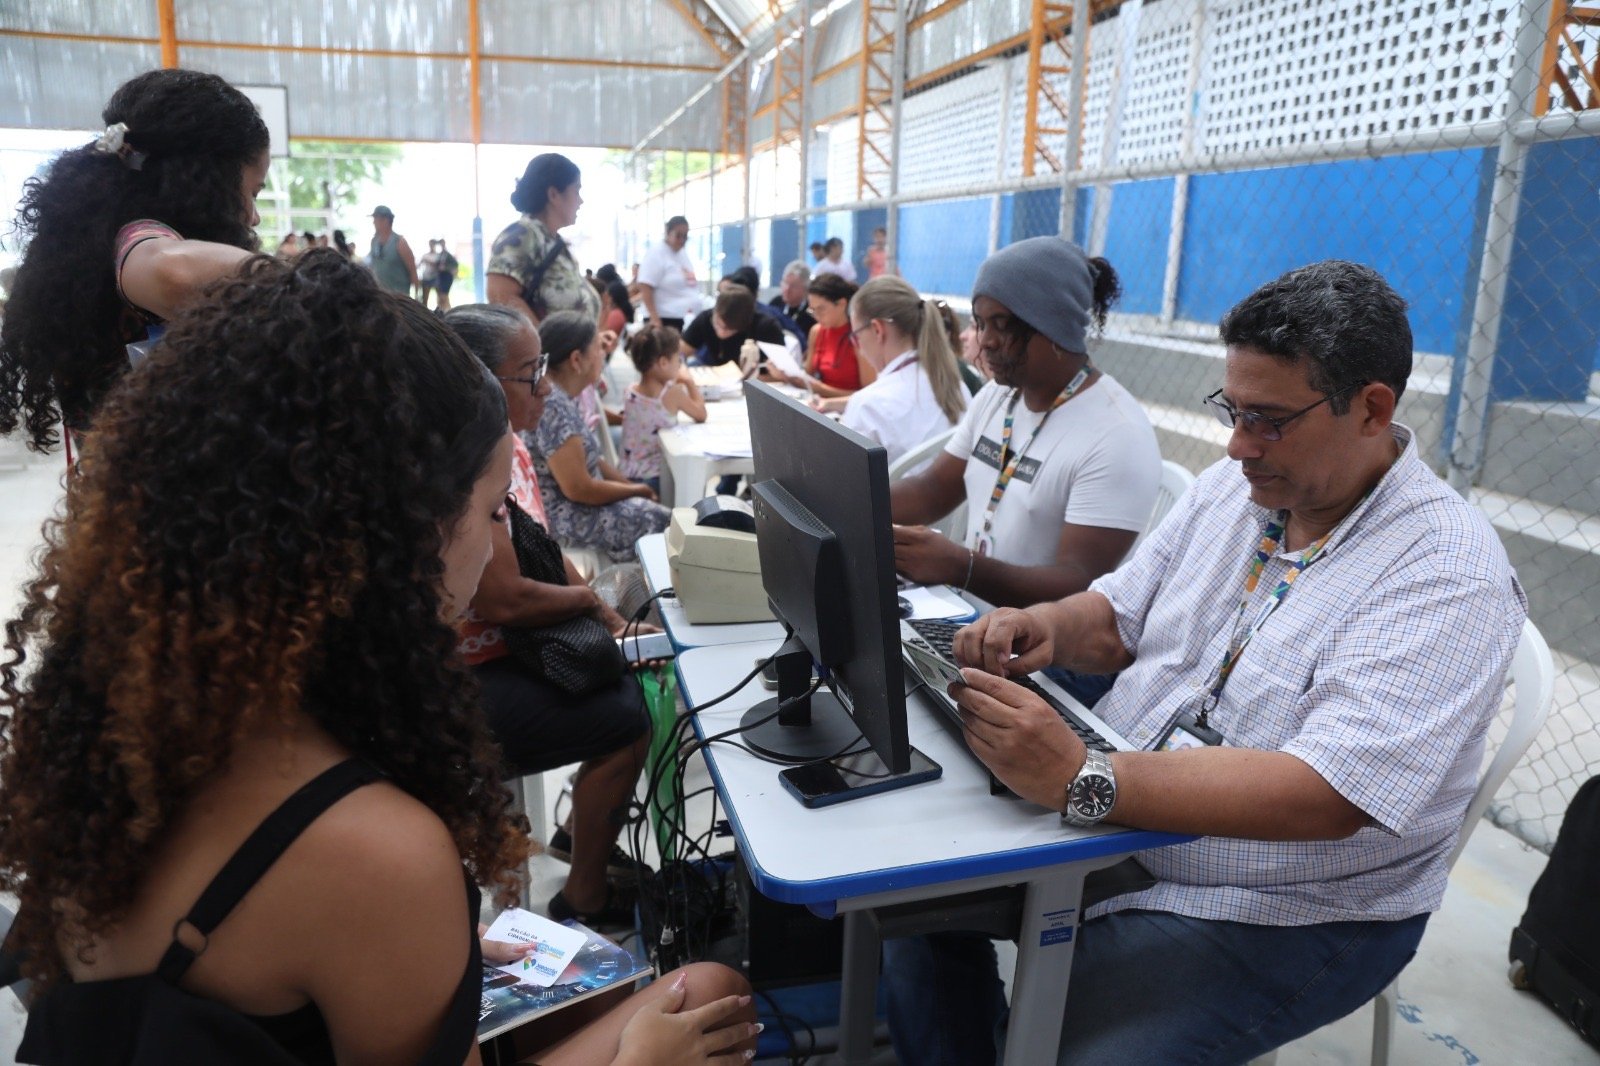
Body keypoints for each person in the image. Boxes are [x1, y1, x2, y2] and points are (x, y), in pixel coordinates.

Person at [1, 250, 758, 1065]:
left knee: (606, 988)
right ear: (399, 541)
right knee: (707, 996)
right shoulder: (377, 849)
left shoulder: (114, 720)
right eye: (492, 508)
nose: (503, 537)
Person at [883, 260, 1528, 1066]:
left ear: (1372, 409)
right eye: (1232, 410)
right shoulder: (1241, 485)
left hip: (1283, 907)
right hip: (1115, 827)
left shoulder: (1445, 572)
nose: (1237, 444)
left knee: (1064, 1049)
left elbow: (1327, 795)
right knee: (898, 902)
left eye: (1267, 419)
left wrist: (1085, 777)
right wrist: (1042, 626)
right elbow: (1118, 613)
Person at [444, 305, 664, 931]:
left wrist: (613, 625)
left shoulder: (508, 445)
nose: (543, 386)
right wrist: (595, 605)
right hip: (459, 678)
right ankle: (584, 896)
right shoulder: (464, 461)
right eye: (529, 373)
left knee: (627, 678)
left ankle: (575, 841)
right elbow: (506, 598)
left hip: (503, 653)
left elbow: (542, 550)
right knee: (626, 719)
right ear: (478, 380)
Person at [0, 68, 270, 453]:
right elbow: (172, 271)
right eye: (253, 192)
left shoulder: (88, 252)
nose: (253, 216)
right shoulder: (138, 238)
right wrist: (305, 278)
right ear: (211, 182)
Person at [889, 237, 1160, 610]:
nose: (985, 342)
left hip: (1044, 655)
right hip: (965, 616)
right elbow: (933, 489)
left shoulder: (1117, 434)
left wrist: (963, 569)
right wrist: (845, 501)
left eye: (1001, 325)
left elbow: (1080, 583)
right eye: (981, 323)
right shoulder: (998, 397)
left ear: (1054, 327)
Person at [530, 311, 669, 561]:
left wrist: (631, 487)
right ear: (576, 359)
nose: (603, 354)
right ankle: (642, 595)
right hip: (565, 519)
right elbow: (580, 489)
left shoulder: (561, 398)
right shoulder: (553, 407)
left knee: (661, 515)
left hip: (578, 507)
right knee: (663, 524)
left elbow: (592, 459)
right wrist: (636, 490)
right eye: (597, 348)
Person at [811, 276, 967, 471]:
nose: (857, 346)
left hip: (897, 501)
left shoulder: (868, 405)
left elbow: (844, 484)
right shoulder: (957, 388)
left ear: (877, 330)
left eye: (856, 335)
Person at [488, 153, 599, 325]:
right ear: (554, 194)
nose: (581, 200)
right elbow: (500, 296)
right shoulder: (523, 235)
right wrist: (543, 347)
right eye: (576, 191)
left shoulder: (552, 241)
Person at [622, 324, 706, 495]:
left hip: (625, 475)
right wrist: (690, 382)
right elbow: (701, 414)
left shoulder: (630, 391)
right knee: (697, 482)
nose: (680, 365)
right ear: (663, 362)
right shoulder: (671, 394)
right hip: (656, 479)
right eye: (678, 359)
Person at [784, 272, 869, 399]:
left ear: (841, 304)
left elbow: (868, 395)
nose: (817, 316)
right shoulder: (817, 332)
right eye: (812, 310)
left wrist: (821, 389)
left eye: (821, 309)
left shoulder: (860, 336)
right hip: (820, 403)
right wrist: (785, 374)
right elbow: (808, 377)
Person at [679, 288, 788, 368]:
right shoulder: (706, 318)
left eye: (728, 329)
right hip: (716, 378)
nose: (721, 332)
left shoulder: (766, 327)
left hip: (756, 384)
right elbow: (681, 351)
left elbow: (782, 372)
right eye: (717, 324)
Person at [637, 215, 701, 331]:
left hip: (681, 317)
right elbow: (645, 285)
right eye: (678, 235)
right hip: (663, 319)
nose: (682, 240)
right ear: (668, 232)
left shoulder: (682, 254)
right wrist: (654, 318)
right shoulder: (656, 253)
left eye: (685, 236)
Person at [367, 204, 418, 296]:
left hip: (399, 297)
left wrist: (417, 296)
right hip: (381, 296)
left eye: (376, 219)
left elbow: (413, 271)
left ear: (385, 220)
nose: (373, 222)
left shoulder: (399, 242)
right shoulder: (374, 241)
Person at [769, 260, 818, 336]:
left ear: (805, 289)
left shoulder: (812, 312)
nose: (787, 289)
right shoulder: (775, 304)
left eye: (794, 286)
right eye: (785, 283)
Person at [433, 238, 458, 311]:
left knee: (444, 296)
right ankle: (442, 310)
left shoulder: (448, 255)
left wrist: (446, 268)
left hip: (447, 277)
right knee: (440, 296)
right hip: (440, 277)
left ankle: (447, 311)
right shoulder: (440, 254)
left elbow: (455, 265)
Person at [418, 238, 442, 307]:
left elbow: (438, 266)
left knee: (439, 298)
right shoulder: (425, 255)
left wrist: (428, 261)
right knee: (425, 298)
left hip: (435, 277)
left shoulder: (438, 256)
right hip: (426, 277)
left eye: (432, 244)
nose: (431, 246)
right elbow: (419, 265)